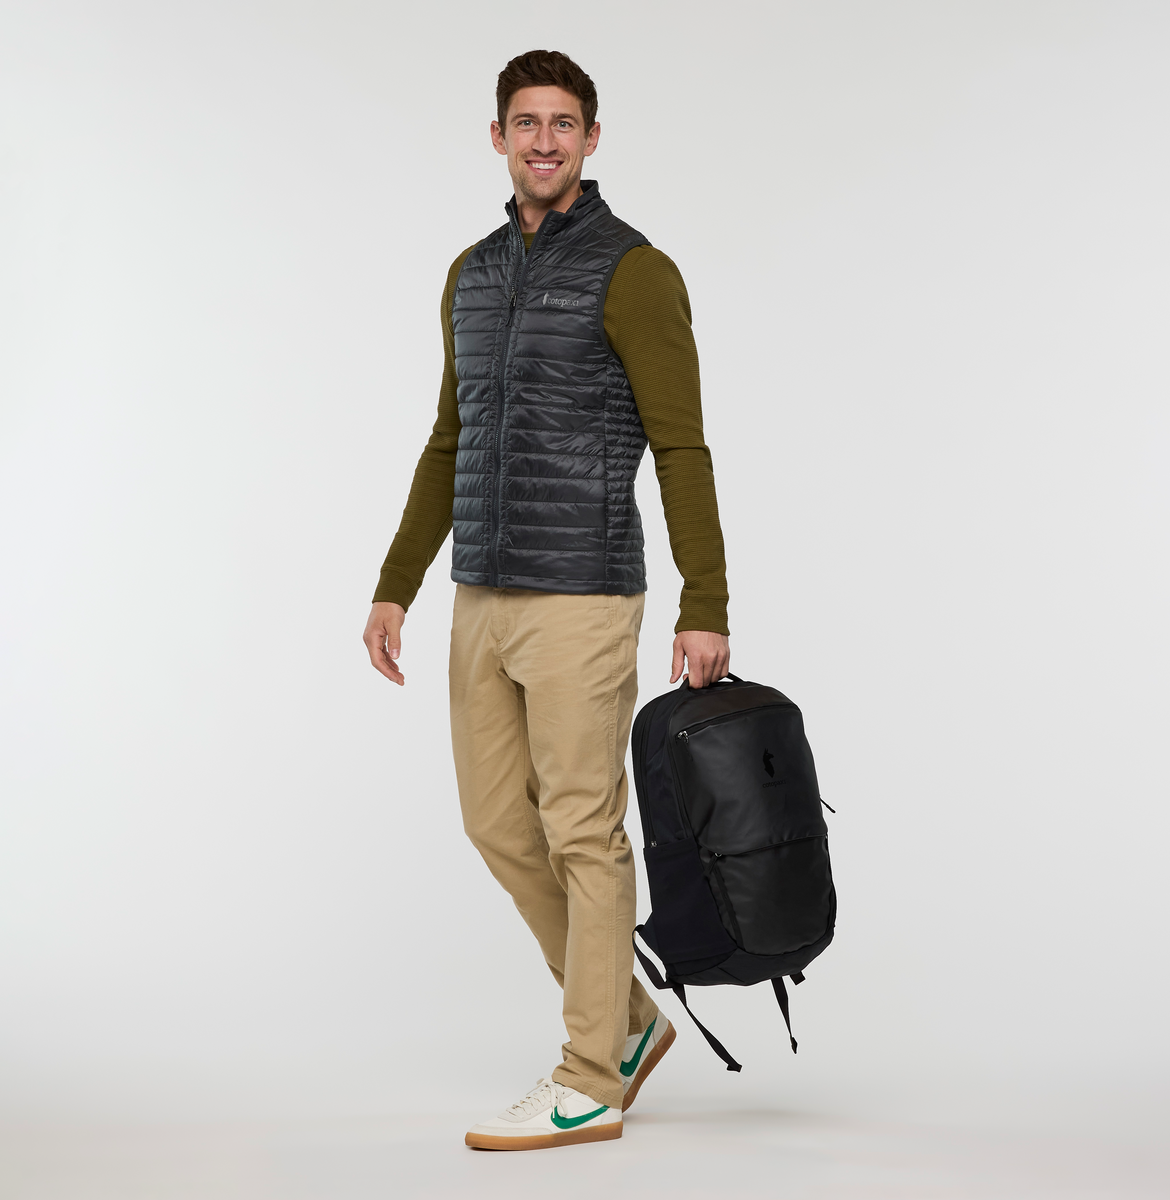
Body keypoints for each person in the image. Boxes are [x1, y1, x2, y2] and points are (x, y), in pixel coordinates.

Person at [362, 49, 730, 1151]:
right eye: (526, 123)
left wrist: (705, 600)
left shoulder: (635, 271)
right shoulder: (470, 275)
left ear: (591, 139)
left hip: (583, 592)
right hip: (482, 593)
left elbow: (682, 444)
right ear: (498, 137)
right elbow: (450, 439)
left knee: (582, 830)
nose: (544, 141)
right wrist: (396, 584)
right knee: (495, 822)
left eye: (564, 123)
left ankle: (590, 1076)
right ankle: (627, 1022)